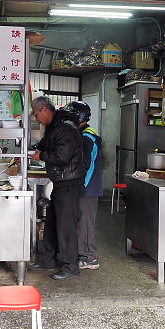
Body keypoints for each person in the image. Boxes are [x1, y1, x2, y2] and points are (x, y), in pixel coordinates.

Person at [27, 96, 85, 280]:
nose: (36, 118)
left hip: (69, 182)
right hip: (60, 182)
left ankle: (70, 266)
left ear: (44, 110)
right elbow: (44, 145)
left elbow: (62, 157)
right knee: (52, 223)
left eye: (36, 114)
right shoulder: (53, 127)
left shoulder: (65, 127)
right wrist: (32, 149)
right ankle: (48, 261)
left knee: (66, 226)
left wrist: (41, 155)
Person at [65, 101, 102, 271]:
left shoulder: (89, 137)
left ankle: (89, 258)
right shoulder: (81, 134)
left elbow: (89, 165)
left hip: (87, 188)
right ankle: (83, 255)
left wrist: (80, 186)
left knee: (86, 224)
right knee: (81, 223)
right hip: (83, 186)